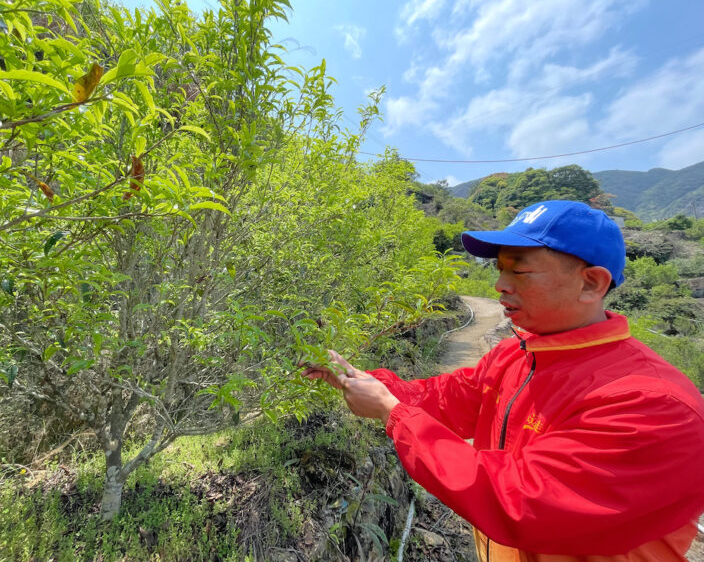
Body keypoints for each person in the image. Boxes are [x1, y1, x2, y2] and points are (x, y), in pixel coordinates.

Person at [302, 200, 704, 561]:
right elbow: (448, 397)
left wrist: (394, 414)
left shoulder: (654, 404)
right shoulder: (519, 353)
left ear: (591, 283)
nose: (499, 286)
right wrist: (360, 378)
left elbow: (519, 500)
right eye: (499, 269)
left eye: (520, 270)